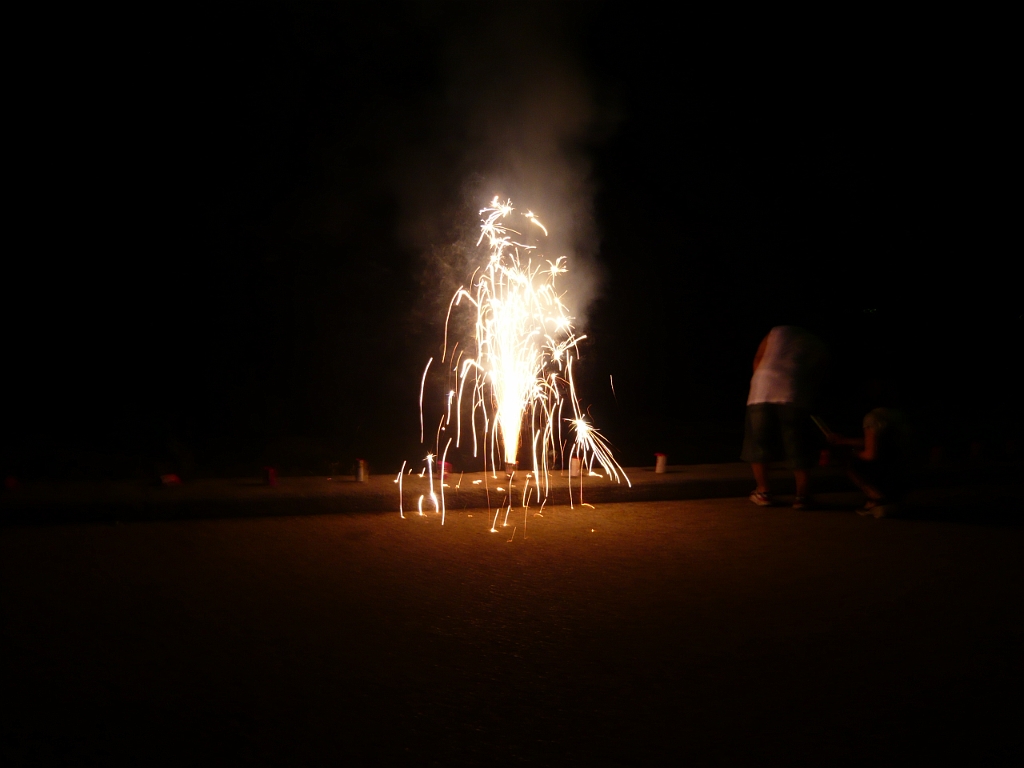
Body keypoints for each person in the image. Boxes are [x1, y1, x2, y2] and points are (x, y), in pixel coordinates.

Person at [740, 325, 826, 509]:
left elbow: (758, 358)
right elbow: (817, 374)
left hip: (761, 391)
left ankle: (763, 492)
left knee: (758, 443)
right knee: (798, 445)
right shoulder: (817, 343)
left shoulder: (777, 331)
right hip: (793, 393)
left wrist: (762, 380)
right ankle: (802, 496)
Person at [825, 404, 914, 517]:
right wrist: (844, 441)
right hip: (904, 465)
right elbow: (876, 442)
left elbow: (871, 454)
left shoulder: (873, 417)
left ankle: (876, 498)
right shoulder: (898, 414)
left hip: (885, 466)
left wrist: (853, 453)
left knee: (848, 461)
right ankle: (893, 498)